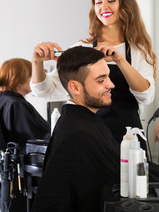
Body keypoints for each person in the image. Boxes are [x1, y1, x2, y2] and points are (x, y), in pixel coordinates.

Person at [31, 0, 157, 155]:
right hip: (89, 137)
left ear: (125, 4)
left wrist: (120, 60)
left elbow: (146, 96)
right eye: (98, 2)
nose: (104, 7)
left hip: (127, 140)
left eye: (111, 0)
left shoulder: (139, 50)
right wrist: (37, 63)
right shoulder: (82, 48)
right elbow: (46, 91)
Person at [32, 46, 120, 212]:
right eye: (101, 80)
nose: (112, 84)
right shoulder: (78, 132)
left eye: (108, 77)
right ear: (75, 87)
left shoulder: (81, 122)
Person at [0, 58, 50, 212]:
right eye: (31, 75)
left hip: (9, 172)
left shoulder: (0, 101)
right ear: (19, 80)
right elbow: (37, 140)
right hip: (24, 173)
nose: (34, 79)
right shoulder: (16, 105)